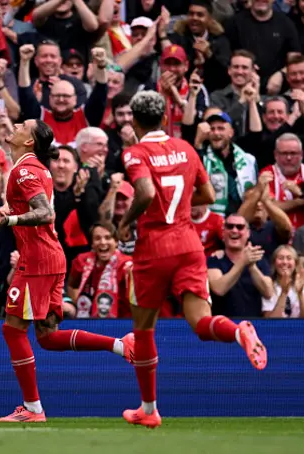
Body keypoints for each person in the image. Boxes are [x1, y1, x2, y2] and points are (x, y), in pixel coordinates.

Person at [118, 90, 268, 428]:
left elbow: (145, 192)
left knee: (143, 331)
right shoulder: (185, 149)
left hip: (154, 246)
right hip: (188, 244)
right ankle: (238, 332)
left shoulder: (135, 152)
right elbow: (210, 195)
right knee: (202, 323)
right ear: (166, 119)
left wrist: (125, 223)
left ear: (135, 121)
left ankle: (149, 409)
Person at [0, 119, 135, 423]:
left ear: (29, 142)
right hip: (50, 257)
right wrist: (9, 211)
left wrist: (9, 221)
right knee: (48, 337)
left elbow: (45, 212)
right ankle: (120, 344)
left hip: (37, 261)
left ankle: (33, 409)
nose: (15, 124)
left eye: (23, 124)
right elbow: (38, 210)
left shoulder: (24, 170)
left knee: (12, 329)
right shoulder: (33, 168)